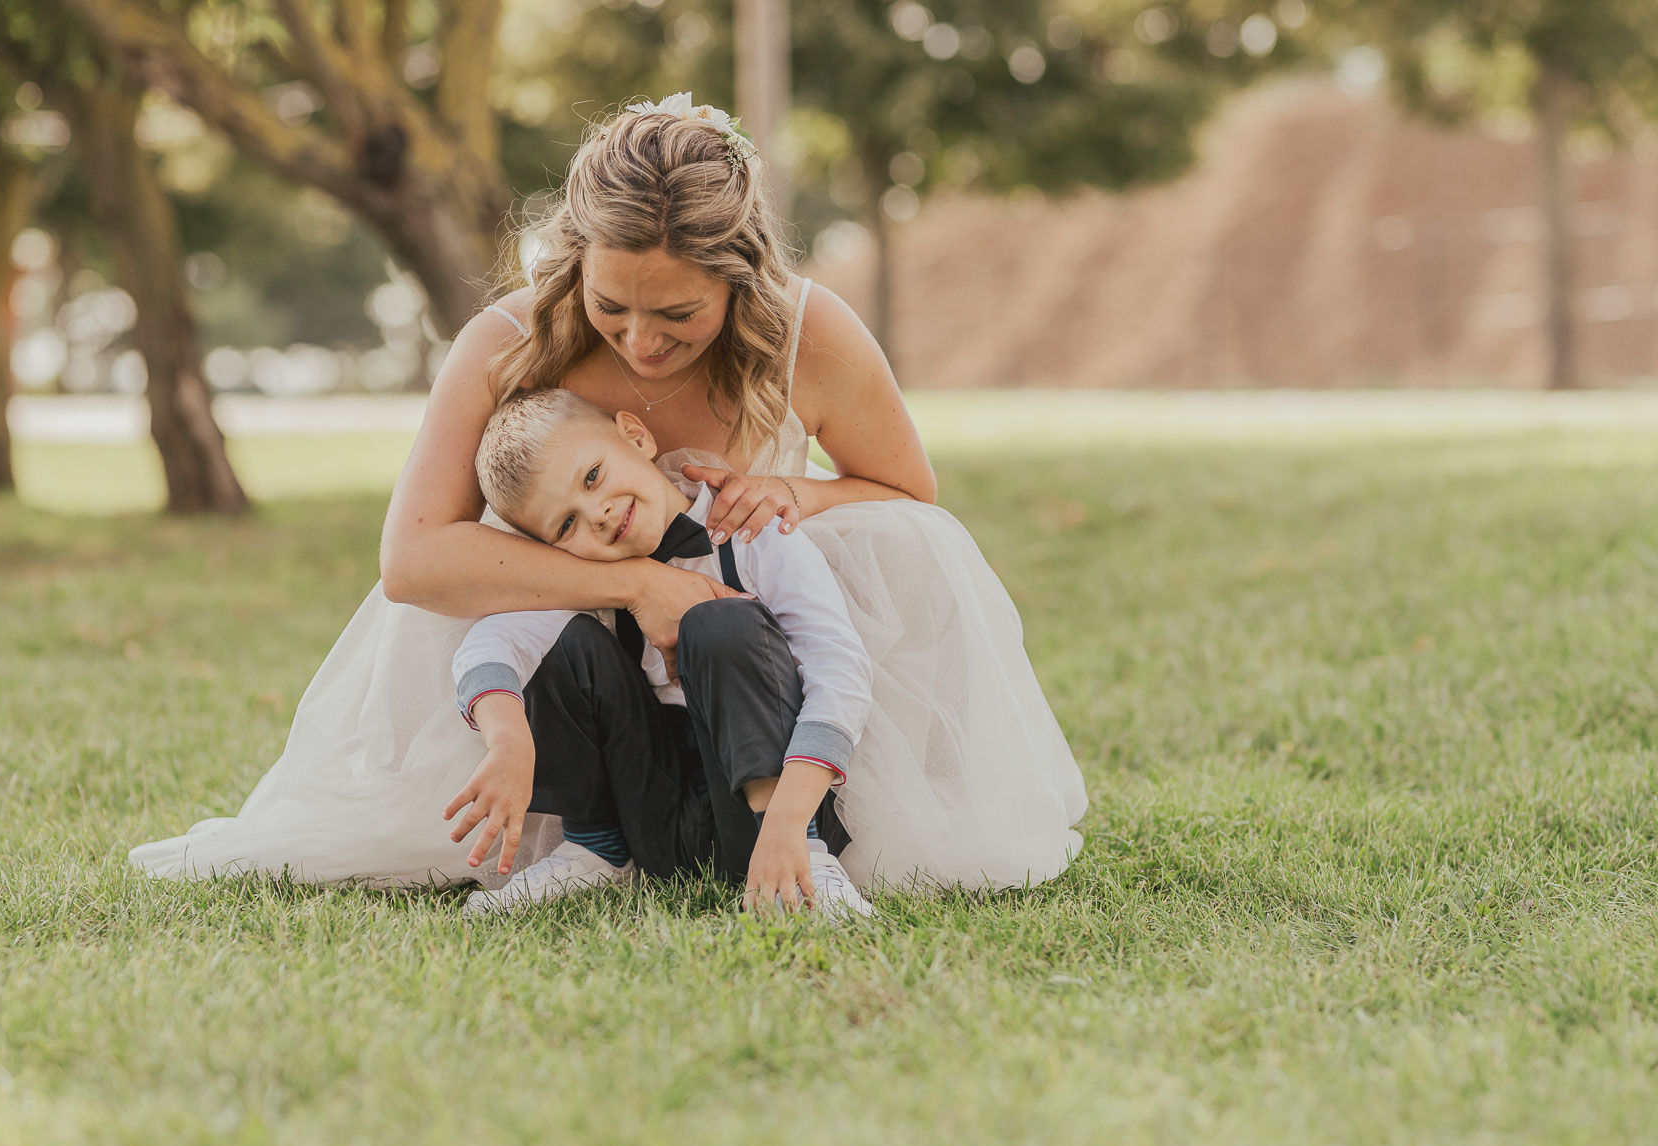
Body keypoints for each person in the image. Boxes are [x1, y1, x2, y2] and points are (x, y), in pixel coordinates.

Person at [129, 93, 1087, 892]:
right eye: (610, 306)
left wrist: (784, 494)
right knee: (496, 608)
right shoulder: (503, 346)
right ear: (573, 260)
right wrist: (630, 585)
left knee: (902, 551)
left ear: (740, 278)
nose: (640, 341)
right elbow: (413, 560)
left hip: (754, 632)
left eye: (678, 313)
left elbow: (905, 493)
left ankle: (797, 819)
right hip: (572, 657)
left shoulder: (810, 334)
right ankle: (591, 831)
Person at [447, 388, 873, 918]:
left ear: (636, 436)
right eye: (565, 525)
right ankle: (597, 852)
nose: (597, 514)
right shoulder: (591, 578)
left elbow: (840, 669)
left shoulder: (755, 538)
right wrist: (508, 739)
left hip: (769, 810)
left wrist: (789, 820)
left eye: (592, 476)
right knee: (565, 641)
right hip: (651, 820)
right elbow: (489, 644)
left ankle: (806, 857)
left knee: (720, 622)